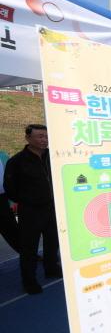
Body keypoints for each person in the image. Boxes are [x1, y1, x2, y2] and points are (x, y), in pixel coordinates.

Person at [4, 124, 62, 294]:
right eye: (39, 136)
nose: (44, 140)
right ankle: (29, 281)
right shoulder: (16, 161)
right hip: (30, 212)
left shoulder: (54, 157)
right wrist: (29, 200)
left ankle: (51, 268)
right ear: (28, 138)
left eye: (45, 136)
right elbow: (10, 188)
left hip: (52, 209)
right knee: (29, 248)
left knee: (52, 243)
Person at [0, 157, 20, 254]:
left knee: (12, 230)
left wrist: (13, 201)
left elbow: (12, 180)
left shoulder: (3, 156)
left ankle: (28, 255)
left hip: (3, 198)